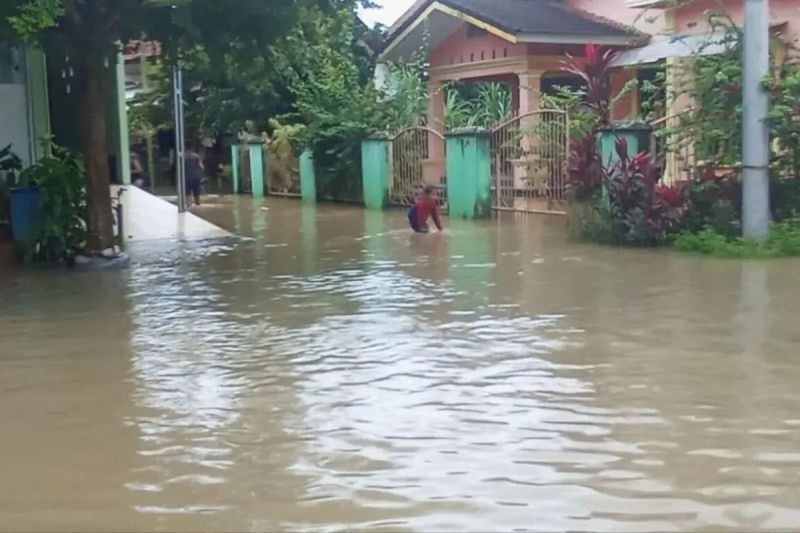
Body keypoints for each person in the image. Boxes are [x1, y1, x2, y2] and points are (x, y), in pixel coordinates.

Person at [184, 142, 205, 206]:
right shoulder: (196, 156)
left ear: (185, 147)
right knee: (197, 195)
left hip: (187, 178)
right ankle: (197, 206)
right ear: (192, 147)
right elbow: (202, 167)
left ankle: (188, 206)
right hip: (196, 178)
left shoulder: (183, 156)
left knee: (187, 194)